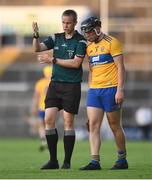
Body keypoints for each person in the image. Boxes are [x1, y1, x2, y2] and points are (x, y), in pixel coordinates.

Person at [32, 9, 86, 169]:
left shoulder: (81, 41)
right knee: (48, 119)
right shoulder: (56, 38)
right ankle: (53, 160)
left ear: (75, 23)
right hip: (55, 85)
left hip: (71, 86)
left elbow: (76, 63)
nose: (65, 25)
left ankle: (67, 161)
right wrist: (35, 35)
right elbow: (37, 48)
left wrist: (53, 60)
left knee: (68, 122)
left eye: (68, 23)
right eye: (63, 22)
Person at [79, 17, 128, 170]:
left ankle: (122, 159)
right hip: (94, 91)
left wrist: (119, 90)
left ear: (97, 29)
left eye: (88, 32)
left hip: (111, 89)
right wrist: (90, 88)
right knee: (93, 125)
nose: (87, 35)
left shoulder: (112, 42)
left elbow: (121, 68)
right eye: (85, 33)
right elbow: (92, 70)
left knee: (114, 125)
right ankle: (95, 161)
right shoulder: (89, 47)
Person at [30, 66, 52, 151]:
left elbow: (36, 97)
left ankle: (43, 141)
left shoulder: (40, 83)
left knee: (41, 125)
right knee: (50, 125)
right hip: (51, 108)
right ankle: (49, 142)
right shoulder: (55, 82)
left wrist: (34, 107)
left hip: (42, 108)